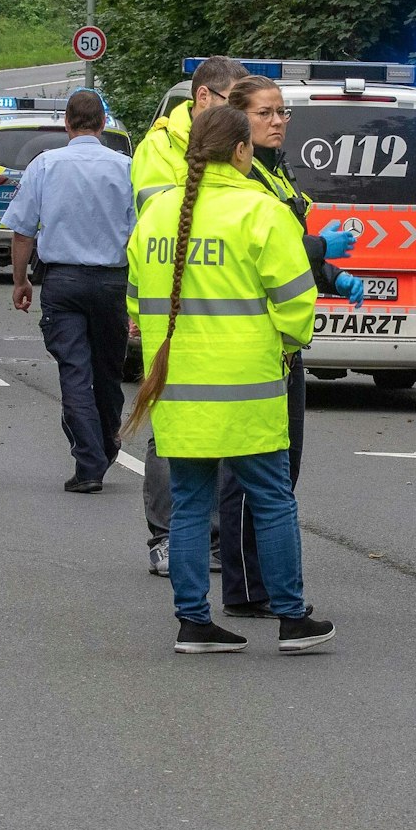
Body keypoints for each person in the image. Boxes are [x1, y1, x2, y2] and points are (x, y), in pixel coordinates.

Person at [122, 105, 335, 655]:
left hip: (176, 386)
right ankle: (291, 618)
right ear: (241, 152)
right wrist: (286, 347)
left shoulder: (157, 214)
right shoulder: (261, 211)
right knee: (270, 498)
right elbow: (296, 300)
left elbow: (134, 298)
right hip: (249, 386)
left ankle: (194, 623)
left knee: (191, 503)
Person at [216, 74, 363, 617]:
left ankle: (263, 580)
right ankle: (246, 588)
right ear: (238, 122)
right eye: (265, 113)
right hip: (251, 343)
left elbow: (280, 257)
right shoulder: (240, 176)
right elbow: (253, 244)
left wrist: (327, 273)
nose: (278, 121)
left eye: (282, 112)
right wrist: (319, 246)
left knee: (283, 468)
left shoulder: (276, 173)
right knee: (248, 473)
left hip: (285, 341)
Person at [130, 55, 249, 575]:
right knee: (170, 431)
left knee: (219, 430)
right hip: (177, 309)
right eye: (234, 102)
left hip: (222, 309)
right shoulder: (159, 147)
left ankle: (214, 538)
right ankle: (166, 536)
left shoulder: (233, 143)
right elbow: (159, 222)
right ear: (204, 98)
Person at [2, 89, 135, 493]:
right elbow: (143, 232)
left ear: (67, 123)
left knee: (75, 372)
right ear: (103, 124)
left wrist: (20, 280)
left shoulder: (45, 165)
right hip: (114, 283)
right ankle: (106, 444)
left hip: (64, 283)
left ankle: (89, 462)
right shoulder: (128, 167)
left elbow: (23, 231)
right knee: (109, 371)